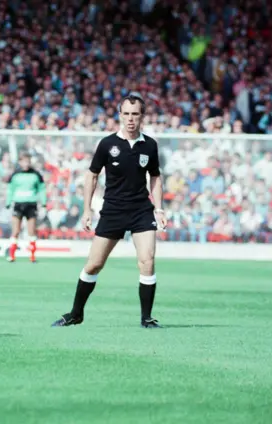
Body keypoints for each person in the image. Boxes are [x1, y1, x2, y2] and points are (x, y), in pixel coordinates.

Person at [51, 94, 168, 329]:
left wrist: (159, 208)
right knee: (94, 264)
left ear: (142, 116)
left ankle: (146, 318)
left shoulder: (150, 145)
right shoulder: (107, 144)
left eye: (135, 114)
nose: (130, 119)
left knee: (147, 260)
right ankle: (76, 313)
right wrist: (87, 210)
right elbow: (91, 174)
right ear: (120, 115)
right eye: (126, 114)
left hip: (141, 211)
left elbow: (155, 176)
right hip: (113, 210)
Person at [5, 152, 47, 262]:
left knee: (31, 231)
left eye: (28, 161)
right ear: (20, 162)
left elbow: (41, 188)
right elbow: (10, 189)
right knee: (16, 230)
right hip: (18, 204)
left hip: (31, 205)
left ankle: (32, 256)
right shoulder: (15, 175)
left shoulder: (36, 174)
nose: (26, 164)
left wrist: (43, 201)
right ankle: (12, 255)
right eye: (24, 161)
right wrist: (8, 202)